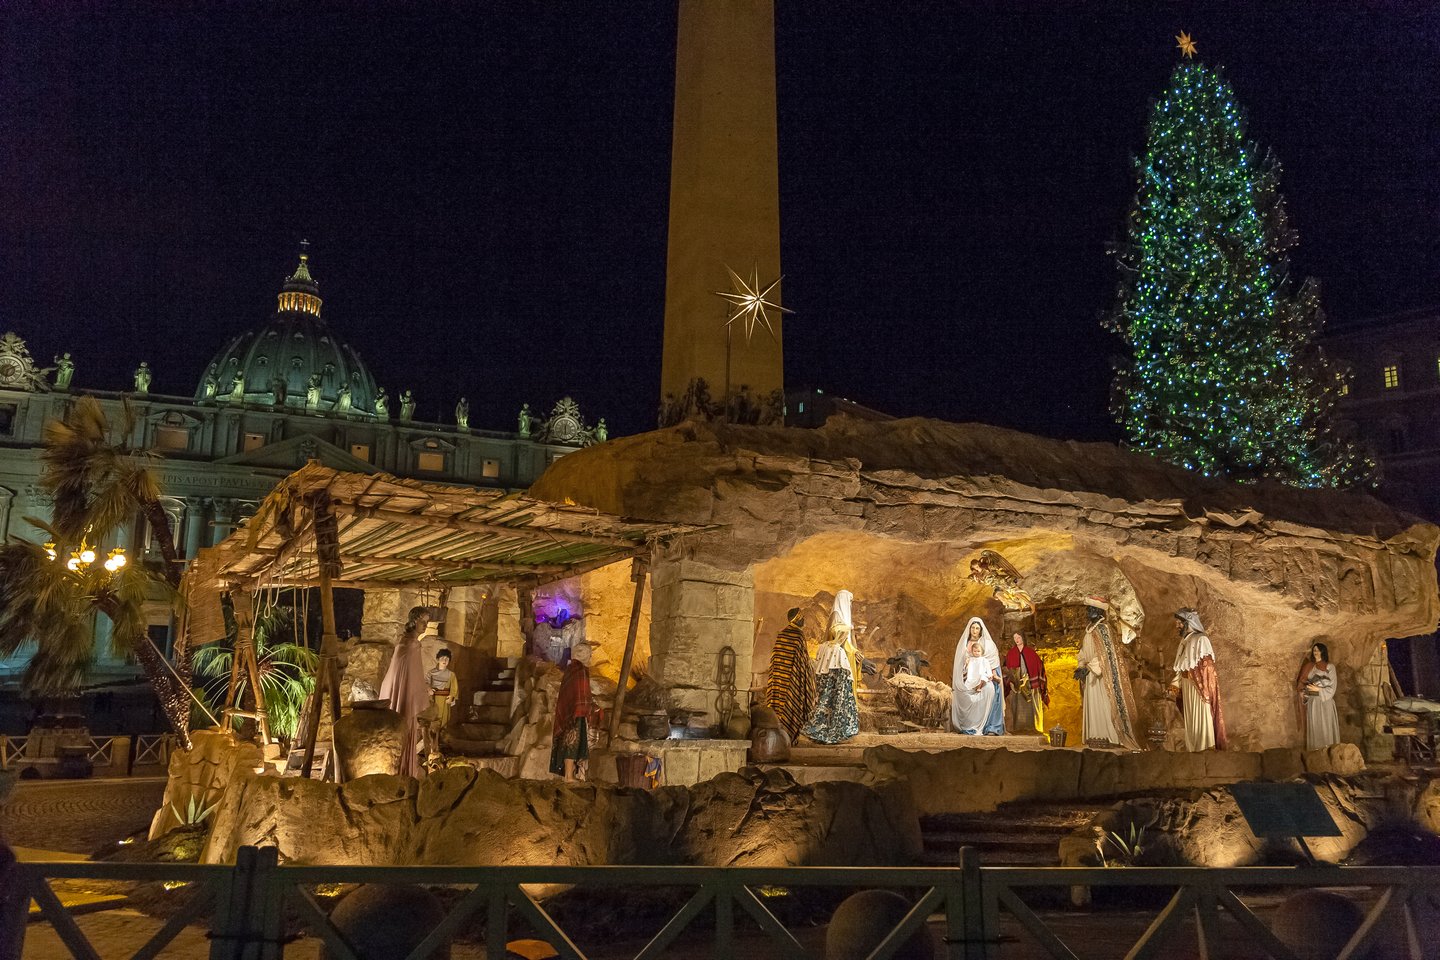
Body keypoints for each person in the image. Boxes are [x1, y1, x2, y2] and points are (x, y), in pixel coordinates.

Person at [1075, 597, 1140, 750]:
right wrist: (1080, 665)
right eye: (1088, 609)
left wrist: (1089, 667)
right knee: (1093, 704)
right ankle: (1096, 737)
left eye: (1091, 609)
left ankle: (1109, 736)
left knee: (1104, 704)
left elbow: (1106, 655)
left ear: (1098, 612)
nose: (1087, 612)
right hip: (1091, 674)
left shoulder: (1104, 629)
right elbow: (1084, 652)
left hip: (1103, 676)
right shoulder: (1089, 631)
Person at [379, 606, 433, 778]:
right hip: (403, 695)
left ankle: (404, 770)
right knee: (405, 731)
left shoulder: (407, 643)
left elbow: (412, 674)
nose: (425, 625)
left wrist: (422, 688)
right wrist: (425, 691)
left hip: (403, 693)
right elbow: (406, 675)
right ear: (414, 621)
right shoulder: (409, 645)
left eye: (427, 622)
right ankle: (402, 771)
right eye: (422, 622)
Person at [803, 591, 860, 744]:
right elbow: (840, 641)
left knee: (828, 702)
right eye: (849, 601)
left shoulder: (825, 647)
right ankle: (833, 731)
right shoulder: (836, 617)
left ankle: (827, 729)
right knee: (834, 702)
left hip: (833, 670)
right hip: (836, 672)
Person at [1169, 609, 1228, 751]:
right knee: (1190, 720)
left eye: (1179, 623)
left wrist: (1202, 683)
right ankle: (1193, 749)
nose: (1177, 626)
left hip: (1199, 688)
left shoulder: (1201, 639)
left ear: (1187, 623)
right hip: (1187, 686)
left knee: (1201, 717)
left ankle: (1205, 748)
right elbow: (1182, 667)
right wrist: (1175, 684)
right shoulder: (1184, 641)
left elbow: (1208, 667)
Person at [764, 608, 816, 743]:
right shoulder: (798, 636)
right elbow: (803, 661)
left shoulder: (781, 634)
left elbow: (775, 659)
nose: (804, 620)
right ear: (797, 619)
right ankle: (788, 738)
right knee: (791, 705)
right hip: (793, 680)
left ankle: (778, 739)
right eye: (802, 617)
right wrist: (808, 678)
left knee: (779, 706)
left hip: (779, 679)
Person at [951, 617, 1004, 735]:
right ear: (969, 629)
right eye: (973, 628)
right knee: (960, 691)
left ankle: (986, 726)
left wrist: (991, 675)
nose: (975, 630)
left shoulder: (988, 644)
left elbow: (991, 664)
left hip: (983, 676)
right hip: (968, 677)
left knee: (989, 688)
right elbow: (961, 665)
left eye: (977, 628)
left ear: (980, 630)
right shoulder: (964, 644)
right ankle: (968, 725)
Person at [550, 642, 594, 780]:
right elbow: (581, 693)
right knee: (571, 743)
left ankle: (570, 774)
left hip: (571, 711)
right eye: (589, 654)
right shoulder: (579, 670)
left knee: (570, 742)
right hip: (576, 713)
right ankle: (569, 775)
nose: (591, 656)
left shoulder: (571, 669)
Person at [1296, 642, 1340, 750]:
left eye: (1318, 650)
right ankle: (1315, 753)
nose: (1316, 652)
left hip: (1325, 701)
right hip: (1313, 701)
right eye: (1314, 650)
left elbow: (1332, 687)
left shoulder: (1330, 667)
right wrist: (1303, 691)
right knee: (1315, 727)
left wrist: (1319, 689)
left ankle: (1328, 751)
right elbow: (1303, 683)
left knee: (1326, 727)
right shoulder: (1309, 667)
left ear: (1323, 652)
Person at [1003, 631, 1049, 734]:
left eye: (1018, 637)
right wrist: (1012, 680)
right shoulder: (1011, 653)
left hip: (1031, 685)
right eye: (1015, 638)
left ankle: (1034, 728)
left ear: (1023, 637)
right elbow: (1007, 669)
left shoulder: (1031, 653)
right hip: (1017, 686)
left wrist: (1028, 678)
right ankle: (1019, 729)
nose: (1017, 639)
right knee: (1018, 707)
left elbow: (1039, 668)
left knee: (1032, 707)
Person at [952, 638, 997, 735]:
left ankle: (979, 687)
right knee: (968, 688)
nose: (977, 653)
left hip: (981, 677)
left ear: (982, 651)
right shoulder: (971, 660)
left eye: (978, 651)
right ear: (972, 652)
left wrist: (990, 675)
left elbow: (988, 670)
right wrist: (966, 664)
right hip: (972, 679)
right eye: (975, 651)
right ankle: (967, 723)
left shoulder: (984, 660)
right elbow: (965, 670)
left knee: (983, 677)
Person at [423, 648, 458, 761]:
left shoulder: (451, 674)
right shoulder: (431, 673)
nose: (444, 660)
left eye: (447, 658)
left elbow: (454, 687)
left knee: (443, 721)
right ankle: (432, 746)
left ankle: (441, 745)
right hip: (433, 700)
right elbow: (426, 682)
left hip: (444, 700)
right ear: (438, 659)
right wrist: (428, 689)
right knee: (433, 721)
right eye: (442, 658)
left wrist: (452, 695)